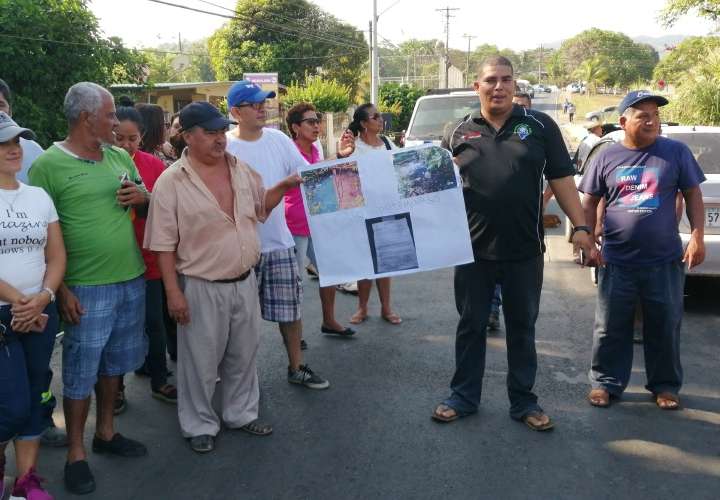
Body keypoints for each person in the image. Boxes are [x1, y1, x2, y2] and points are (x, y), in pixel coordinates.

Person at [432, 56, 598, 431]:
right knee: (471, 324)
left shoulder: (540, 126)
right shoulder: (457, 131)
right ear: (478, 86)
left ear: (515, 85)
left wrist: (583, 228)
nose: (499, 86)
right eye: (491, 80)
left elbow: (562, 181)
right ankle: (463, 396)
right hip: (471, 250)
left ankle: (524, 401)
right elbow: (431, 187)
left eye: (506, 79)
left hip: (524, 250)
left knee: (522, 327)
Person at [145, 101, 302, 452]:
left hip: (245, 280)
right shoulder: (171, 182)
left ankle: (241, 414)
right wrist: (173, 293)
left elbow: (261, 208)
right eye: (210, 133)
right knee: (199, 361)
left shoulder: (240, 169)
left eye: (221, 132)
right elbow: (162, 245)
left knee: (244, 354)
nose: (220, 139)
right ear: (188, 136)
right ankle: (199, 423)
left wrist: (286, 185)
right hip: (201, 286)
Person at [29, 82, 150, 495]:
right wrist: (60, 291)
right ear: (86, 117)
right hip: (84, 287)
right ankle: (76, 453)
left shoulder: (117, 154)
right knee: (80, 373)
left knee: (115, 365)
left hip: (130, 278)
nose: (117, 122)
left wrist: (142, 196)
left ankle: (107, 434)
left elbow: (144, 199)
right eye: (111, 114)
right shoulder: (49, 165)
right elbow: (40, 236)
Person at [580, 90, 706, 410]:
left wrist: (697, 236)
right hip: (617, 260)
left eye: (655, 115)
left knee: (664, 325)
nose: (651, 121)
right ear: (623, 122)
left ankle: (664, 385)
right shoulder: (605, 157)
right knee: (610, 327)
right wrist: (587, 237)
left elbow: (692, 195)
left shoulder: (675, 152)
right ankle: (605, 384)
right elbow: (590, 200)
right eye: (642, 115)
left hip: (663, 260)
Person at [226, 80, 329, 390]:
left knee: (290, 310)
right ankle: (237, 378)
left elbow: (309, 177)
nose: (262, 108)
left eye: (263, 102)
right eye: (254, 104)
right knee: (238, 320)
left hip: (279, 242)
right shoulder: (225, 146)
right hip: (237, 248)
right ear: (235, 112)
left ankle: (296, 366)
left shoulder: (278, 139)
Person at [0, 112, 66, 500]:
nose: (13, 150)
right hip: (8, 314)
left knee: (35, 393)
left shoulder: (38, 196)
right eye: (4, 144)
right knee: (10, 403)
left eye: (15, 142)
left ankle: (27, 481)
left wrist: (44, 297)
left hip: (40, 310)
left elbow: (56, 255)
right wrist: (19, 300)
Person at [114, 106, 177, 406]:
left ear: (141, 137)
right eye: (119, 138)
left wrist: (146, 198)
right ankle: (116, 389)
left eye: (133, 138)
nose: (126, 145)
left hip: (149, 259)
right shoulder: (100, 165)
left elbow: (171, 211)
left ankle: (160, 380)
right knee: (119, 328)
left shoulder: (154, 166)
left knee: (154, 323)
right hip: (114, 265)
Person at [285, 102, 356, 339]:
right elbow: (310, 173)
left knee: (331, 270)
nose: (316, 126)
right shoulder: (289, 150)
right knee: (295, 283)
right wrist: (338, 156)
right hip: (295, 224)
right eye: (310, 122)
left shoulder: (315, 148)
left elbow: (320, 173)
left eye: (317, 121)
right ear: (295, 127)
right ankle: (295, 334)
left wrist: (339, 157)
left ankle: (329, 321)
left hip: (316, 221)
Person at [346, 103, 402, 325]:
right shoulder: (355, 147)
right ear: (363, 123)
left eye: (380, 116)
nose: (380, 120)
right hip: (362, 212)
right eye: (375, 117)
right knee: (364, 263)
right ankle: (362, 308)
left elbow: (402, 164)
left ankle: (386, 308)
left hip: (388, 211)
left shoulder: (388, 144)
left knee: (386, 262)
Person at [136, 103, 174, 167]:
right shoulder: (152, 160)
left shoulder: (158, 151)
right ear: (154, 128)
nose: (166, 128)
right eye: (164, 124)